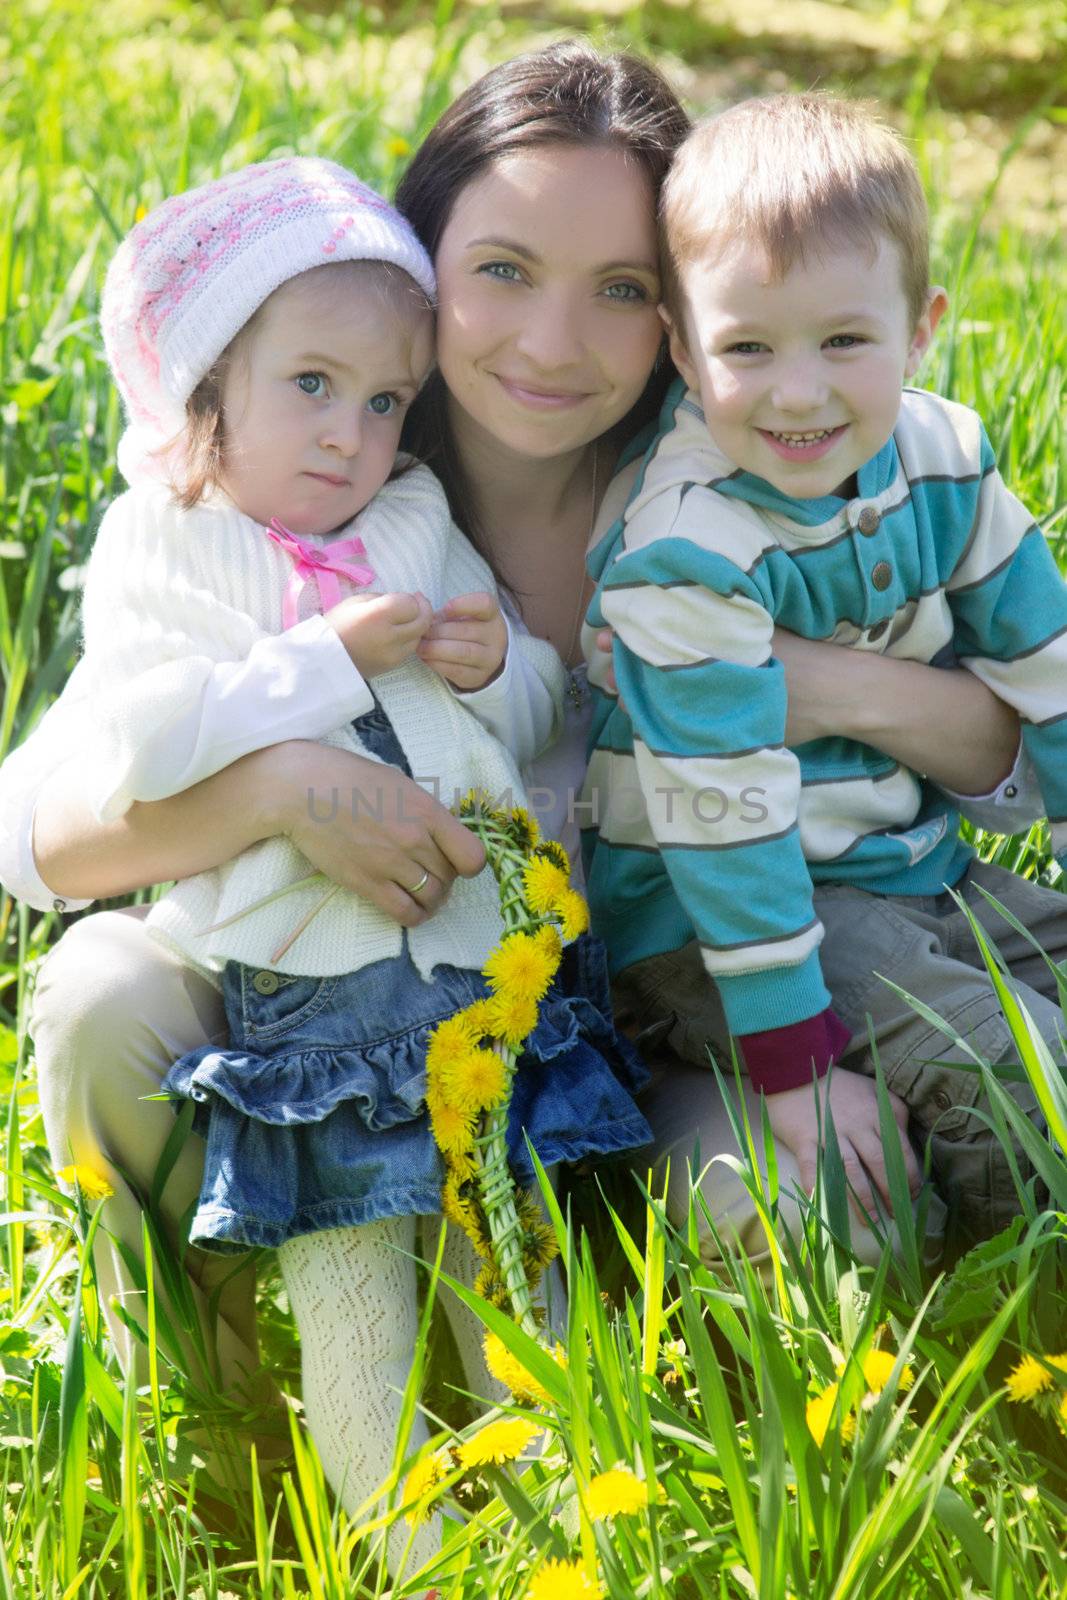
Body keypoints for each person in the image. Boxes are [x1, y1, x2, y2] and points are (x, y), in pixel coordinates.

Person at [0, 38, 1037, 1476]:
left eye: (618, 290)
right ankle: (230, 1454)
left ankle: (695, 1487)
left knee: (806, 1170)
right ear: (415, 262)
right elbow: (35, 830)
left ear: (678, 312)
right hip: (360, 1016)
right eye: (499, 270)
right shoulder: (321, 483)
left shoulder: (755, 474)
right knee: (102, 991)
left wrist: (781, 684)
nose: (553, 344)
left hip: (675, 1031)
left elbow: (996, 731)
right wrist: (290, 786)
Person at [64, 152, 655, 1562]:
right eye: (310, 388)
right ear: (207, 387)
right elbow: (148, 744)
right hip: (309, 1011)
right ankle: (403, 1552)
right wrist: (322, 664)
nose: (348, 436)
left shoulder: (405, 519)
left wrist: (492, 656)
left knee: (511, 1270)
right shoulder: (170, 544)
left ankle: (575, 1533)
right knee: (356, 1300)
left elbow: (527, 723)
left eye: (385, 402)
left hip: (479, 985)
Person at [584, 91, 1063, 1257]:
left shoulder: (943, 464)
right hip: (712, 919)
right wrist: (790, 1066)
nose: (797, 394)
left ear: (920, 327)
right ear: (683, 352)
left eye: (843, 341)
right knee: (1011, 1069)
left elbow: (1046, 670)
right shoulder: (683, 555)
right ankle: (1021, 1335)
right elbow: (725, 824)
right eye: (747, 348)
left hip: (908, 869)